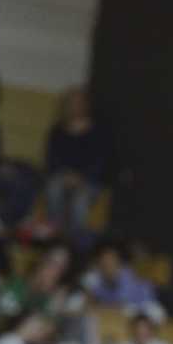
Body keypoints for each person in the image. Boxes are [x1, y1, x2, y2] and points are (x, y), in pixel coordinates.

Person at [45, 87, 109, 245]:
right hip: (63, 177)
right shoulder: (57, 131)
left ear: (86, 105)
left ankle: (75, 241)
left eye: (80, 103)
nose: (76, 107)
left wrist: (82, 177)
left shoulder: (98, 132)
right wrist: (66, 175)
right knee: (53, 188)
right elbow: (52, 160)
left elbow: (100, 162)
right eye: (72, 103)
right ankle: (56, 234)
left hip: (90, 180)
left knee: (80, 200)